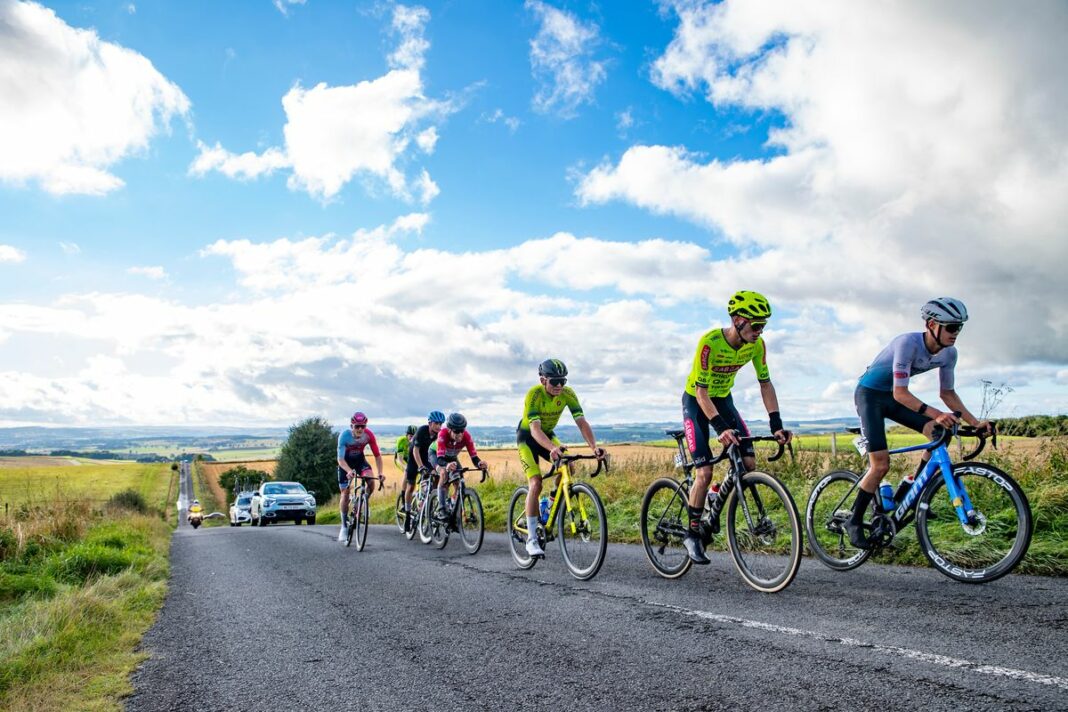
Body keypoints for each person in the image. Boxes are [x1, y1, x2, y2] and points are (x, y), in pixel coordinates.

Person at [845, 297, 992, 548]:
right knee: (880, 465)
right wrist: (936, 414)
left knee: (938, 433)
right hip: (871, 396)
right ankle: (854, 520)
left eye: (960, 327)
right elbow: (901, 394)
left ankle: (908, 493)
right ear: (933, 324)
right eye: (952, 327)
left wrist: (975, 422)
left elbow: (948, 394)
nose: (956, 333)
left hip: (894, 397)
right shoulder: (907, 344)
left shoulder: (949, 354)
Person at [680, 290, 792, 565]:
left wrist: (776, 424)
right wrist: (720, 428)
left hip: (724, 400)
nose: (759, 331)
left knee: (749, 463)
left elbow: (765, 384)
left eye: (763, 326)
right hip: (697, 401)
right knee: (704, 472)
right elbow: (702, 392)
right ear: (738, 320)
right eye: (756, 325)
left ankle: (717, 498)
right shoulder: (710, 343)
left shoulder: (757, 345)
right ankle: (693, 534)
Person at [517, 359, 607, 559]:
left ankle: (548, 505)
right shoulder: (534, 395)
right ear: (543, 380)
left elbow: (581, 422)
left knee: (569, 466)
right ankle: (532, 539)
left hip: (548, 435)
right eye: (555, 381)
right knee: (536, 483)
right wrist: (551, 448)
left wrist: (594, 447)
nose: (559, 386)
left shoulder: (567, 394)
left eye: (562, 381)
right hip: (528, 439)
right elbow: (534, 429)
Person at [336, 411, 384, 542]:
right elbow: (340, 460)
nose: (360, 429)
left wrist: (380, 473)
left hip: (359, 461)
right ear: (352, 426)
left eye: (363, 426)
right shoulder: (344, 436)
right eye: (357, 426)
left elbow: (377, 456)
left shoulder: (368, 435)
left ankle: (364, 501)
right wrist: (348, 471)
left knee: (371, 481)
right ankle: (344, 527)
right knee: (345, 493)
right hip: (345, 463)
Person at [433, 413, 487, 521]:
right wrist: (446, 465)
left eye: (462, 430)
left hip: (452, 457)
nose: (460, 434)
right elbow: (440, 459)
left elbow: (474, 456)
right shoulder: (443, 434)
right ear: (449, 430)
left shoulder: (466, 436)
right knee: (443, 474)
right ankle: (441, 508)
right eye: (456, 431)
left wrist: (479, 463)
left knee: (459, 480)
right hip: (436, 455)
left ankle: (453, 504)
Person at [402, 411, 445, 533]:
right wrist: (420, 467)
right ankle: (407, 512)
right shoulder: (422, 431)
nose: (438, 426)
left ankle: (428, 500)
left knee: (435, 477)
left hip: (426, 458)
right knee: (410, 486)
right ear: (430, 423)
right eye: (436, 423)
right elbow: (416, 451)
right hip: (414, 458)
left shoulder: (439, 435)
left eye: (440, 424)